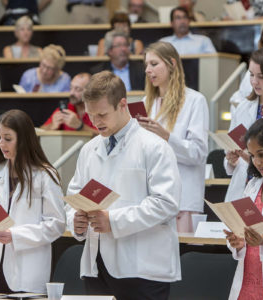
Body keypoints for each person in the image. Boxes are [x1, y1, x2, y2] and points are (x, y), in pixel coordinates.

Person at [65, 71, 181, 300]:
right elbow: (74, 195)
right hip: (96, 265)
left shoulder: (154, 147)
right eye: (91, 115)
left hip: (142, 267)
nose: (96, 122)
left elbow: (167, 203)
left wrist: (114, 221)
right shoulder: (89, 150)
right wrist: (75, 221)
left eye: (102, 114)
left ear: (122, 104)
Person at [0, 109, 66, 293]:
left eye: (7, 138)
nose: (1, 144)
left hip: (26, 272)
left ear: (23, 139)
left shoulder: (45, 175)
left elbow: (57, 224)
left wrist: (15, 235)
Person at [139, 41, 209, 232]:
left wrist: (166, 136)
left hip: (183, 198)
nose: (148, 70)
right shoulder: (146, 103)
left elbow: (198, 153)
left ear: (171, 64)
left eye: (154, 64)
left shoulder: (195, 100)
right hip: (150, 197)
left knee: (182, 257)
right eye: (146, 65)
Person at [225, 117, 263, 300]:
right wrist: (236, 242)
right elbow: (241, 232)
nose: (257, 162)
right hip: (246, 286)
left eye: (262, 154)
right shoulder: (252, 185)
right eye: (252, 156)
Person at [224, 46, 263, 203]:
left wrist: (253, 158)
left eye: (261, 76)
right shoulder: (244, 107)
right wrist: (231, 159)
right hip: (243, 186)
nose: (254, 81)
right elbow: (232, 145)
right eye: (251, 75)